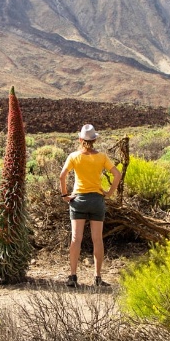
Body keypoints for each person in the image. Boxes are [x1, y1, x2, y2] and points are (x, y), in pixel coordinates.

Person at [59, 123, 122, 287]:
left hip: (78, 200)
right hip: (96, 201)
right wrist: (109, 193)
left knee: (75, 238)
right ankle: (97, 278)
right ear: (94, 140)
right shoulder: (102, 157)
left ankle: (73, 277)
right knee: (97, 240)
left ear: (80, 139)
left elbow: (62, 175)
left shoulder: (73, 156)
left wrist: (65, 195)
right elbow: (117, 174)